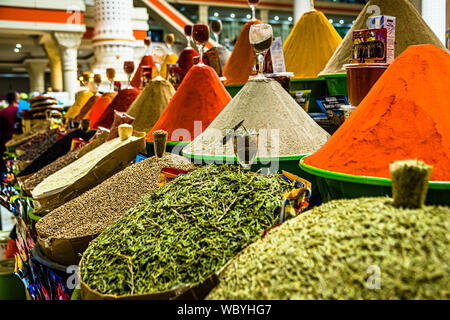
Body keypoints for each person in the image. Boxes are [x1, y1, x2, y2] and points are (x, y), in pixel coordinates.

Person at [0, 91, 19, 176]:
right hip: (18, 144)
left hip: (3, 144)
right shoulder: (20, 111)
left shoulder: (2, 112)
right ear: (17, 100)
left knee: (6, 171)